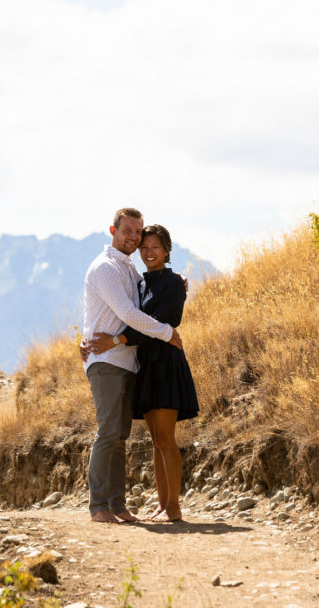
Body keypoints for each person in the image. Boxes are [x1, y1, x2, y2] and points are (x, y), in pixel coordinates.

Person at [84, 224, 199, 522]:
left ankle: (173, 507)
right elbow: (125, 315)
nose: (148, 252)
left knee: (165, 440)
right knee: (156, 442)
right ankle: (162, 505)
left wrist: (119, 340)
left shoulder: (172, 282)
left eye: (155, 248)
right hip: (144, 365)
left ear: (167, 251)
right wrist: (87, 338)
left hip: (165, 365)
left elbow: (155, 323)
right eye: (144, 247)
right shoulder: (141, 282)